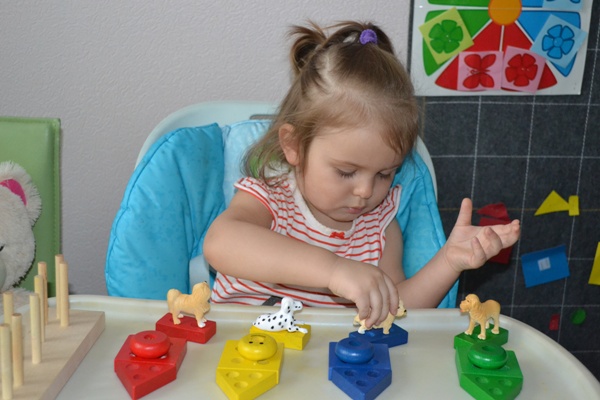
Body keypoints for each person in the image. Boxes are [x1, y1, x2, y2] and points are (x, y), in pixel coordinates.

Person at [203, 21, 520, 328]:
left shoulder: (380, 227)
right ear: (294, 146)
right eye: (346, 172)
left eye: (384, 174)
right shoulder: (271, 200)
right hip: (240, 352)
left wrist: (449, 261)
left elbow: (398, 310)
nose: (366, 191)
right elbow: (221, 243)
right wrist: (333, 271)